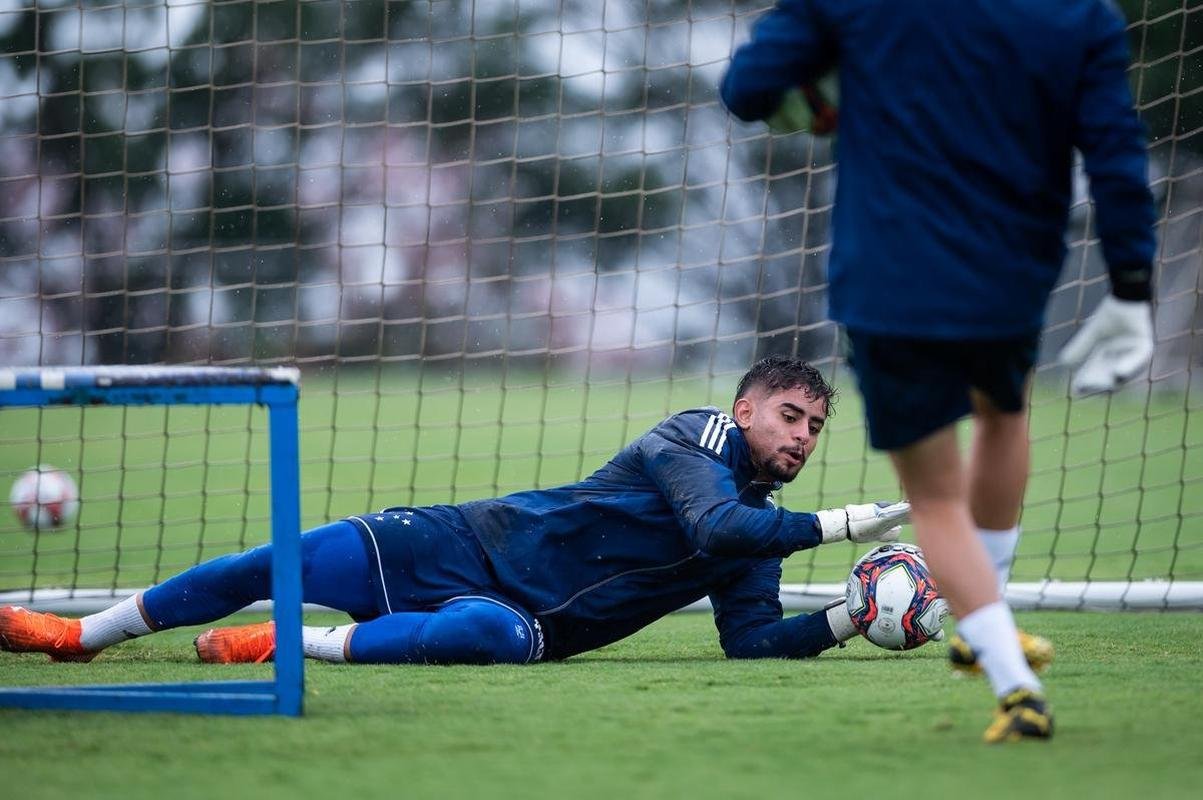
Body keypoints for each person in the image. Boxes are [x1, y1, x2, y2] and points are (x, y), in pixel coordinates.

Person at [721, 0, 1156, 742]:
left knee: (932, 496)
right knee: (1003, 415)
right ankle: (988, 623)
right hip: (1010, 267)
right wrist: (1131, 286)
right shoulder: (1080, 14)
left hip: (888, 275)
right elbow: (1116, 152)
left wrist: (823, 92)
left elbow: (747, 88)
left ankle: (1012, 681)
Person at [1, 357, 915, 668]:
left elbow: (749, 641)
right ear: (746, 409)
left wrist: (849, 617)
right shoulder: (694, 435)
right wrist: (842, 524)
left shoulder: (763, 526)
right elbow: (711, 525)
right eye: (788, 416)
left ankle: (288, 643)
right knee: (280, 560)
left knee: (484, 635)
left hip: (528, 621)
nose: (801, 437)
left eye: (814, 427)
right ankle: (84, 636)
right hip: (464, 539)